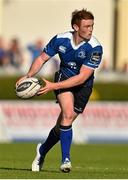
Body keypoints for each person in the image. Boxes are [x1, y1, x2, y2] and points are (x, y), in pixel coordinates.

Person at [16, 8, 103, 173]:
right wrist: (27, 76)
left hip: (83, 86)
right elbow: (42, 58)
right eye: (87, 26)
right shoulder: (60, 39)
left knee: (62, 125)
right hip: (63, 78)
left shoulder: (95, 47)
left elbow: (82, 78)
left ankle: (42, 151)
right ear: (76, 27)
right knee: (68, 115)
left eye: (92, 26)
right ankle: (66, 160)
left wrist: (52, 87)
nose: (91, 29)